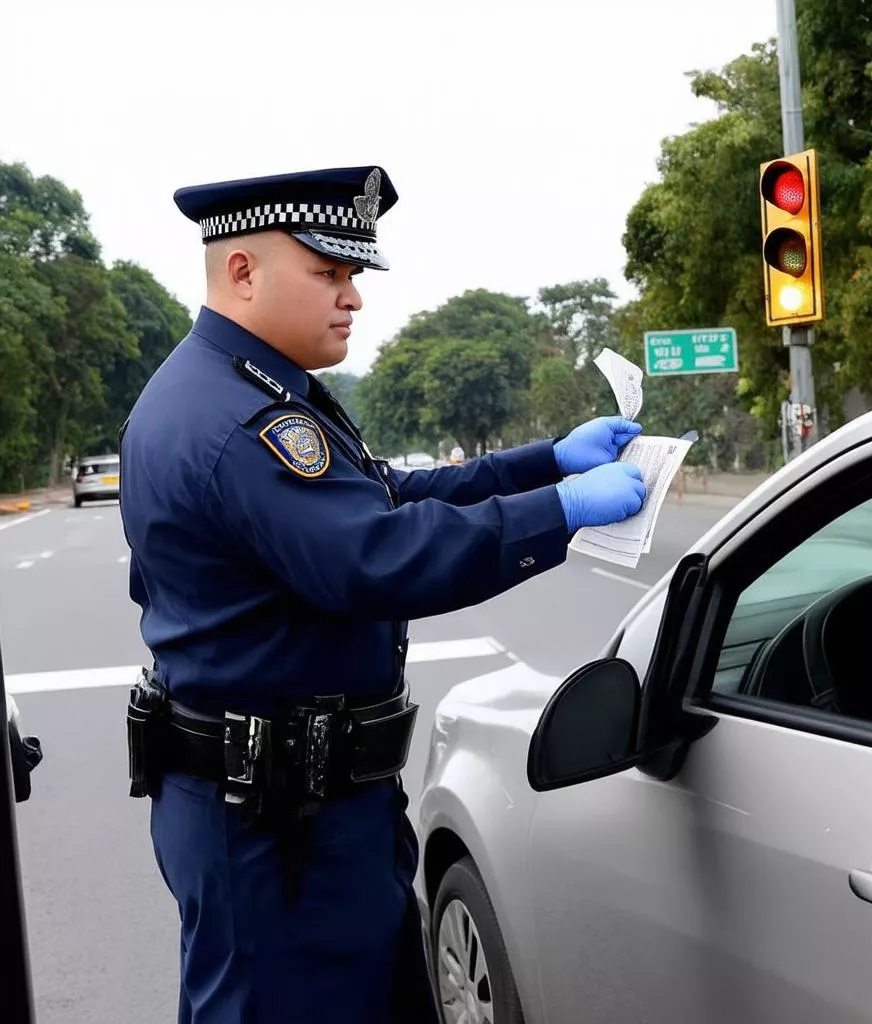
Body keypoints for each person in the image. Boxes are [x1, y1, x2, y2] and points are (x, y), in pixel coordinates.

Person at [118, 164, 646, 1024]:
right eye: (327, 273)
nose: (352, 296)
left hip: (289, 810)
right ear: (243, 272)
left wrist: (544, 463)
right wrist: (560, 512)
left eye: (352, 275)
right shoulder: (241, 421)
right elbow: (375, 554)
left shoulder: (244, 390)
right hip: (277, 827)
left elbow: (385, 495)